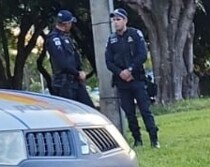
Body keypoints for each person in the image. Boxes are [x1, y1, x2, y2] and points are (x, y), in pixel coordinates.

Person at [104, 8, 159, 148]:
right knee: (129, 112)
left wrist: (130, 70)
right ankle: (137, 139)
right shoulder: (111, 39)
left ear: (125, 20)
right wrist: (120, 72)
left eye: (118, 19)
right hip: (122, 82)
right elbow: (108, 61)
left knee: (145, 110)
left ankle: (154, 139)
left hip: (137, 79)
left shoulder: (135, 34)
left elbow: (142, 54)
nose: (115, 23)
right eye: (114, 20)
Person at [45, 10, 94, 107]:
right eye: (70, 22)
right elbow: (62, 63)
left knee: (88, 109)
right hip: (64, 83)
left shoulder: (66, 37)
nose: (71, 25)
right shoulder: (54, 39)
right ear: (66, 24)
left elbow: (74, 58)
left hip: (75, 81)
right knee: (70, 112)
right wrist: (77, 73)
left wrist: (79, 71)